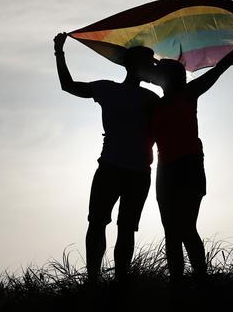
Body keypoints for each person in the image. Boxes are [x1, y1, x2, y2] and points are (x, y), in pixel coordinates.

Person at [149, 31, 233, 292]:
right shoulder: (154, 105)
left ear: (169, 77)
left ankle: (201, 280)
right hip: (165, 169)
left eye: (160, 72)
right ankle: (177, 285)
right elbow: (140, 69)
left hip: (188, 165)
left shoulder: (188, 93)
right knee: (171, 233)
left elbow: (219, 69)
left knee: (185, 227)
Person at [54, 32, 160, 284]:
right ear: (134, 66)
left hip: (137, 172)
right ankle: (94, 280)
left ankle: (120, 281)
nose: (151, 68)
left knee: (124, 228)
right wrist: (59, 53)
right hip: (113, 167)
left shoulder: (152, 99)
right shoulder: (109, 89)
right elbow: (68, 86)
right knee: (98, 222)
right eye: (148, 64)